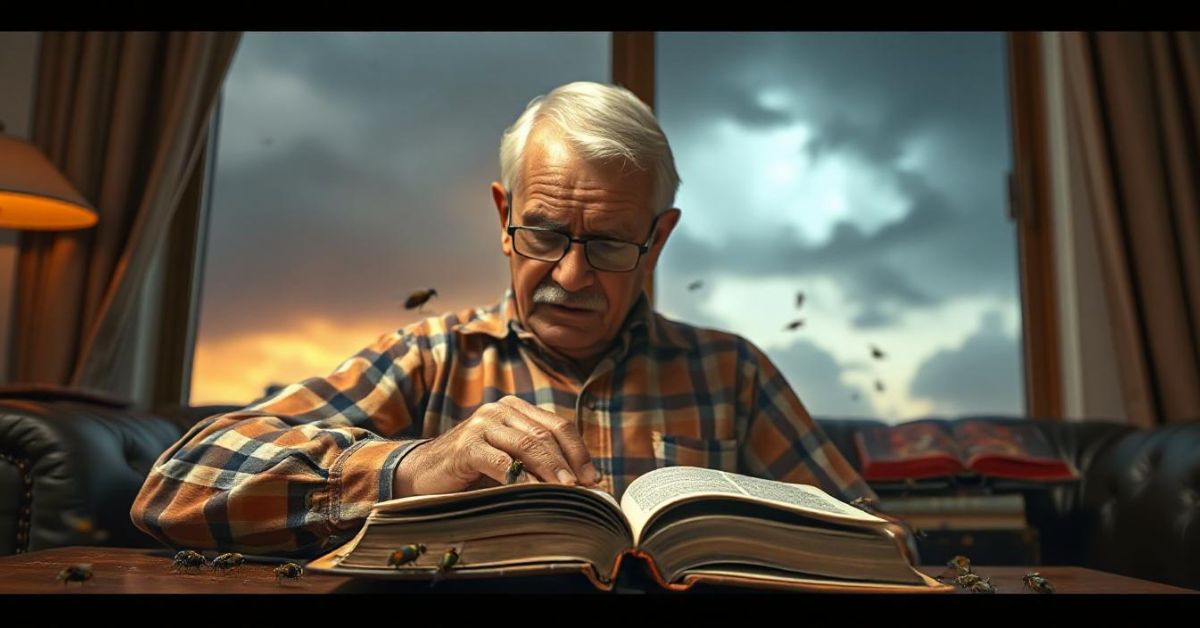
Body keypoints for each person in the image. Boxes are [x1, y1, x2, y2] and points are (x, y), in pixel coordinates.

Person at [131, 81, 875, 556]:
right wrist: (413, 466)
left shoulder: (731, 373)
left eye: (611, 242)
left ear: (659, 239)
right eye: (545, 233)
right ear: (503, 214)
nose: (571, 275)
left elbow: (880, 541)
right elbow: (175, 483)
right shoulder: (429, 357)